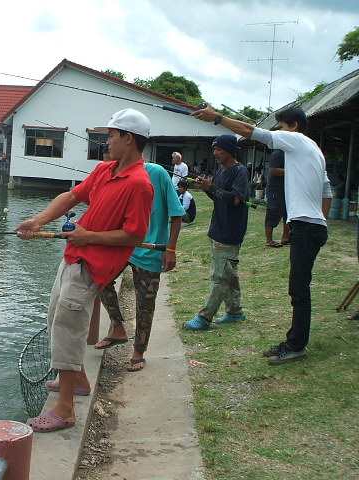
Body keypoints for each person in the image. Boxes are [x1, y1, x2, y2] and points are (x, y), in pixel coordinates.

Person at [15, 108, 154, 432]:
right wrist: (37, 221)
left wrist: (88, 235)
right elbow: (71, 196)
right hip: (74, 256)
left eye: (111, 136)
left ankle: (65, 410)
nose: (106, 142)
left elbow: (136, 235)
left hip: (94, 265)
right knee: (55, 318)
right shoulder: (106, 170)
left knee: (68, 326)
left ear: (128, 139)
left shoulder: (140, 184)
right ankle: (77, 380)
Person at [192, 105, 332, 365]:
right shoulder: (315, 152)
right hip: (312, 226)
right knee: (299, 288)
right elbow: (327, 190)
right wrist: (321, 220)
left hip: (305, 226)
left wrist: (218, 118)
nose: (278, 131)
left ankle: (296, 345)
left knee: (299, 290)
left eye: (281, 125)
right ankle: (292, 340)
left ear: (294, 126)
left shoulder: (296, 140)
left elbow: (252, 132)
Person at [93, 162, 185, 372]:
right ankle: (117, 328)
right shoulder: (113, 173)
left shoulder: (158, 173)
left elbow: (177, 213)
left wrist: (170, 250)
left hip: (150, 249)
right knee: (98, 277)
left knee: (145, 305)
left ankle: (138, 352)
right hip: (120, 246)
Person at [184, 134, 249, 331]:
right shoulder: (221, 171)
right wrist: (206, 188)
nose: (215, 153)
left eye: (218, 149)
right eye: (214, 149)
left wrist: (213, 187)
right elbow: (218, 198)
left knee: (220, 276)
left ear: (230, 150)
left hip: (230, 231)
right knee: (229, 273)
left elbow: (236, 200)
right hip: (218, 228)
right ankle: (235, 312)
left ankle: (205, 318)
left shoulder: (240, 172)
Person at [264, 149, 290, 247]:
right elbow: (273, 171)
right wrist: (291, 170)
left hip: (287, 188)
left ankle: (285, 237)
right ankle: (269, 240)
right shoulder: (278, 153)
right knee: (273, 212)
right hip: (276, 189)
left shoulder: (289, 153)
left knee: (287, 213)